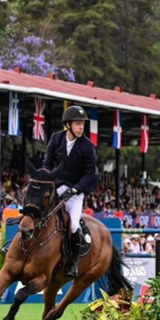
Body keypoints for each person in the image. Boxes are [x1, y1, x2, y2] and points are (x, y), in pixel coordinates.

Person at [43, 105, 99, 277]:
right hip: (57, 187)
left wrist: (75, 189)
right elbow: (47, 163)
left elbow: (91, 173)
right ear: (68, 125)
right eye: (77, 124)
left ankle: (73, 263)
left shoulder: (87, 146)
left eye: (82, 124)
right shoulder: (56, 139)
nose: (81, 127)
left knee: (73, 225)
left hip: (76, 192)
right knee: (39, 213)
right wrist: (46, 180)